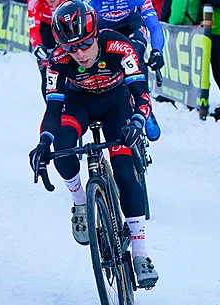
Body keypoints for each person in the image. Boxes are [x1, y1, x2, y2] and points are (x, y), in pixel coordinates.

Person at [29, 0, 159, 288]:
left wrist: (138, 121)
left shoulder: (119, 46)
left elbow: (141, 95)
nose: (79, 53)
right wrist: (43, 142)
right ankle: (79, 203)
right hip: (79, 105)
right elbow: (52, 110)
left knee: (124, 170)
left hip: (116, 103)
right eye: (71, 47)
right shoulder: (58, 61)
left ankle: (140, 253)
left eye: (85, 44)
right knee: (62, 149)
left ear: (95, 34)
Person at [86, 0, 165, 141]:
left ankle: (144, 105)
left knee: (134, 57)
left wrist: (157, 51)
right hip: (102, 30)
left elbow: (154, 27)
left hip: (131, 28)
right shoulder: (90, 2)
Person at [28, 0, 65, 101]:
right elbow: (33, 29)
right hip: (45, 29)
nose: (51, 1)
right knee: (46, 75)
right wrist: (37, 46)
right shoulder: (34, 2)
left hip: (63, 26)